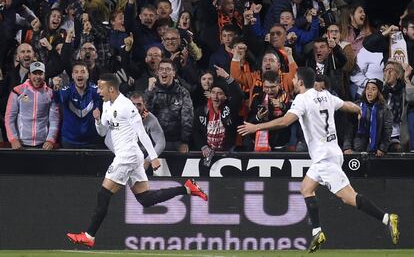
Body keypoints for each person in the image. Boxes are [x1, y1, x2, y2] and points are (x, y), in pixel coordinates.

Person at [237, 67, 399, 252]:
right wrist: (357, 109)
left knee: (349, 198)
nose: (291, 81)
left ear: (299, 81)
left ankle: (387, 218)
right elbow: (346, 105)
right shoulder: (326, 95)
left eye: (294, 79)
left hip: (324, 158)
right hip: (331, 153)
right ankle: (317, 232)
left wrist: (256, 127)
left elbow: (284, 122)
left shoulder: (302, 99)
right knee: (306, 188)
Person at [66, 73, 207, 248]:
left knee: (104, 194)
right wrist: (96, 120)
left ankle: (89, 235)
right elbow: (102, 132)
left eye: (101, 87)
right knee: (146, 199)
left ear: (111, 88)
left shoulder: (126, 106)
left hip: (128, 156)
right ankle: (187, 188)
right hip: (128, 156)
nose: (98, 90)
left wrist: (153, 157)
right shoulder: (105, 104)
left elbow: (141, 132)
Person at [5, 61, 59, 149]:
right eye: (34, 73)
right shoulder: (18, 91)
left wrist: (50, 140)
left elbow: (54, 120)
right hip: (20, 143)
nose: (37, 77)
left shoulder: (50, 94)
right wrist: (13, 139)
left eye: (40, 74)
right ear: (29, 75)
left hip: (43, 144)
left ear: (44, 75)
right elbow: (9, 117)